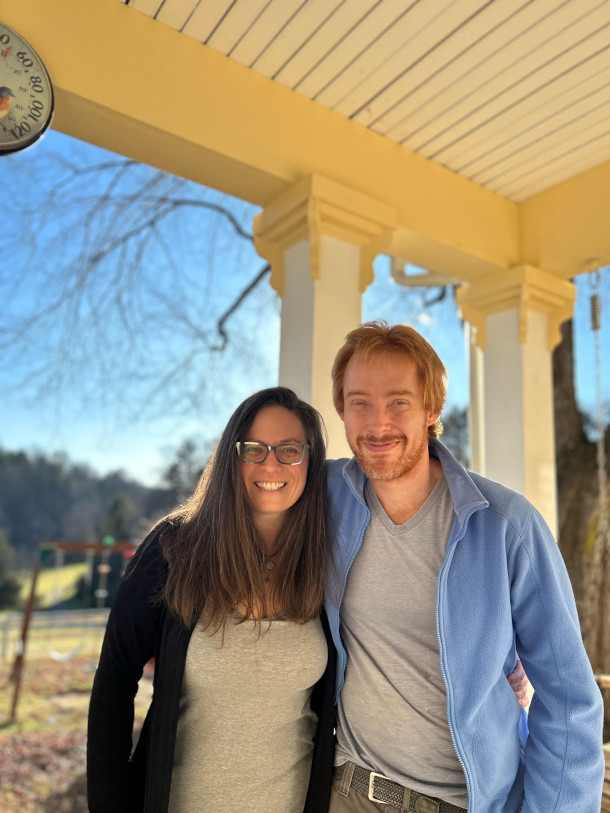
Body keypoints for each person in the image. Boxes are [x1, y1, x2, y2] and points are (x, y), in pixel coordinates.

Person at [324, 321, 605, 813]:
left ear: (431, 409)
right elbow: (243, 499)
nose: (377, 423)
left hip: (465, 803)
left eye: (398, 401)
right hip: (346, 793)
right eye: (359, 402)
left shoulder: (506, 525)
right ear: (342, 411)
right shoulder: (325, 498)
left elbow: (569, 700)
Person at [87, 387, 336, 813]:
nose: (271, 464)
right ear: (230, 458)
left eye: (290, 450)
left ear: (311, 461)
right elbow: (115, 679)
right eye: (253, 449)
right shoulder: (175, 549)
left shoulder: (328, 556)